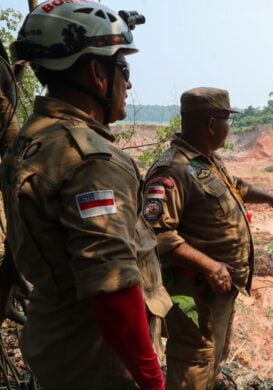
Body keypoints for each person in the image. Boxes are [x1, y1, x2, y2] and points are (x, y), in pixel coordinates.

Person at [1, 1, 172, 389]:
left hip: (58, 343)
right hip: (99, 357)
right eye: (122, 69)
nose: (128, 84)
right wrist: (152, 378)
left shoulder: (33, 137)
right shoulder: (91, 159)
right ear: (97, 73)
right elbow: (112, 282)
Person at [143, 87, 273, 389]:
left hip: (218, 292)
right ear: (212, 125)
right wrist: (210, 266)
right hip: (192, 294)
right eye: (227, 121)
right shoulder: (172, 169)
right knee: (193, 363)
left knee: (211, 356)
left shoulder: (205, 161)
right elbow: (155, 233)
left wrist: (270, 199)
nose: (229, 128)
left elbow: (236, 186)